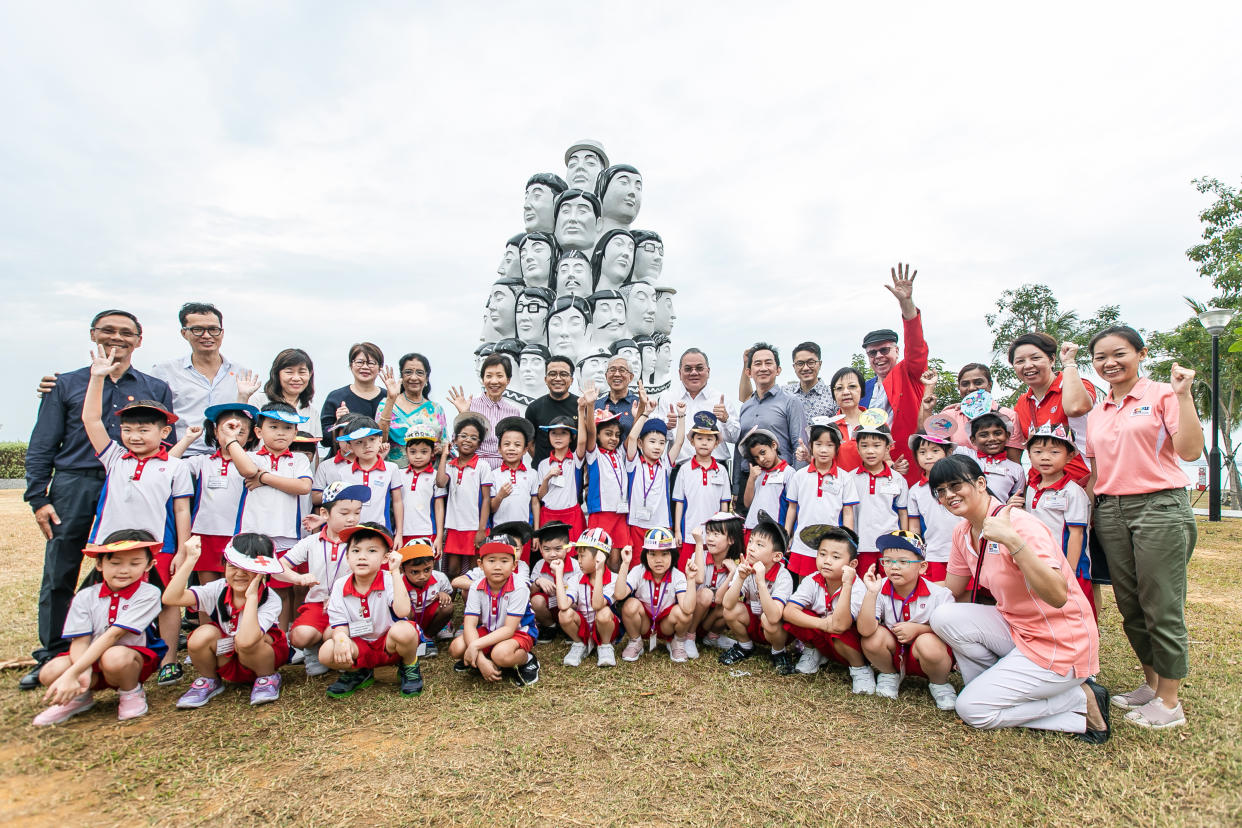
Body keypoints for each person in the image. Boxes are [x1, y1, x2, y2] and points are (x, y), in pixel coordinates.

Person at [22, 309, 171, 691]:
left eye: (126, 333)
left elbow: (165, 444)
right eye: (108, 331)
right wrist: (38, 495)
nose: (117, 338)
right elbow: (42, 442)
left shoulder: (154, 387)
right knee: (61, 568)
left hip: (131, 486)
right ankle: (55, 652)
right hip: (77, 481)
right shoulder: (66, 383)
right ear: (93, 334)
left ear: (140, 340)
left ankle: (131, 642)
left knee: (134, 564)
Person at [928, 454, 1106, 741]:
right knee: (944, 616)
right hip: (1017, 628)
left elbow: (1058, 595)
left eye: (956, 485)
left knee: (971, 710)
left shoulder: (1021, 524)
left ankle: (1077, 701)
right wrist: (899, 583)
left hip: (1058, 640)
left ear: (981, 483)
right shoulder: (963, 532)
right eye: (941, 491)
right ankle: (996, 688)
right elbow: (951, 588)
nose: (949, 495)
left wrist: (1012, 540)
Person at [1086, 327, 1202, 729]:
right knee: (1130, 605)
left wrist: (1184, 395)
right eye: (1100, 357)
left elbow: (1189, 451)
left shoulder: (1163, 395)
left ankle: (1169, 703)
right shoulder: (1099, 410)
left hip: (1159, 506)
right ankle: (1152, 685)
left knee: (1161, 605)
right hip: (1110, 510)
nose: (1109, 363)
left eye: (1119, 353)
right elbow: (1095, 468)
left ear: (1140, 353)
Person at [82, 345, 192, 685]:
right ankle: (104, 658)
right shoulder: (115, 458)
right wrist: (97, 378)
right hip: (111, 546)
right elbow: (90, 420)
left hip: (160, 545)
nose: (135, 435)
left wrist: (184, 549)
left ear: (164, 432)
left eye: (145, 429)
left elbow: (181, 508)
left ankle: (169, 659)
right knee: (108, 597)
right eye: (129, 429)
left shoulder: (175, 467)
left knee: (167, 601)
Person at [31, 531, 166, 726]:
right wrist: (81, 671)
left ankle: (131, 692)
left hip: (128, 661)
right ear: (99, 564)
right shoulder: (85, 596)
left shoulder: (149, 593)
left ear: (149, 565)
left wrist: (73, 673)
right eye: (115, 563)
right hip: (90, 660)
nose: (124, 570)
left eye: (134, 563)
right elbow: (80, 640)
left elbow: (114, 635)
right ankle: (79, 697)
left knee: (115, 656)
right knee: (50, 671)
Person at [165, 534, 290, 709]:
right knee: (201, 636)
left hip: (258, 655)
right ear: (224, 565)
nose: (239, 573)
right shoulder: (218, 588)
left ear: (263, 571)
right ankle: (210, 680)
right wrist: (190, 560)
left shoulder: (270, 598)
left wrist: (252, 597)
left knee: (249, 641)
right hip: (228, 657)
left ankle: (267, 677)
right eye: (233, 566)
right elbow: (171, 598)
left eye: (248, 568)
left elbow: (246, 641)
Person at [855, 531, 957, 709]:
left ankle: (939, 684)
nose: (894, 567)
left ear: (922, 567)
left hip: (927, 654)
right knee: (871, 639)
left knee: (928, 643)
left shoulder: (939, 594)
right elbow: (865, 630)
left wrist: (919, 629)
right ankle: (889, 674)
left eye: (903, 561)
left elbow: (953, 630)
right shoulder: (879, 587)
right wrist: (871, 592)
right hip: (895, 651)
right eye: (887, 561)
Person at [321, 523, 424, 698]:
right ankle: (358, 672)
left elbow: (403, 611)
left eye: (371, 551)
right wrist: (340, 639)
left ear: (386, 557)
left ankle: (409, 666)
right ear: (347, 556)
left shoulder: (389, 579)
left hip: (389, 645)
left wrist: (395, 572)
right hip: (359, 645)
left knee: (405, 630)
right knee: (327, 651)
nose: (362, 557)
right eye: (355, 551)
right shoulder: (340, 585)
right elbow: (339, 624)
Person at [279, 482, 368, 677]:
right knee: (300, 635)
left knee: (333, 633)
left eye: (357, 513)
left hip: (350, 604)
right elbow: (278, 568)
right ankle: (313, 651)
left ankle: (337, 653)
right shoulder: (311, 542)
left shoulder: (363, 541)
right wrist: (298, 577)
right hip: (317, 605)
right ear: (325, 514)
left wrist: (338, 595)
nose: (352, 519)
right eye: (344, 513)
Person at [145, 302, 250, 455]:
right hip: (180, 455)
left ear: (222, 332)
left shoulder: (241, 373)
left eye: (213, 329)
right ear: (184, 333)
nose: (206, 336)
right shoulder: (164, 371)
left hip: (228, 456)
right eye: (198, 330)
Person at [173, 402, 260, 584]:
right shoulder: (202, 461)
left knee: (234, 589)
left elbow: (251, 471)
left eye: (240, 432)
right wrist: (188, 439)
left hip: (238, 534)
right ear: (214, 431)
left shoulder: (253, 460)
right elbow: (168, 465)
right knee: (207, 591)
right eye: (226, 429)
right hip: (203, 533)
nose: (232, 435)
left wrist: (232, 441)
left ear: (251, 435)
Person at [858, 264, 929, 485]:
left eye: (884, 350)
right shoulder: (864, 388)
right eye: (872, 353)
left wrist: (907, 305)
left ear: (897, 351)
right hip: (873, 469)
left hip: (906, 465)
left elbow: (916, 348)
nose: (878, 356)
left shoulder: (909, 373)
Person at [781, 525, 874, 691]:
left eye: (836, 557)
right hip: (825, 632)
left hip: (848, 642)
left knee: (838, 631)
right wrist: (822, 624)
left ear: (852, 564)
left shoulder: (858, 587)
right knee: (798, 617)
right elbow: (788, 611)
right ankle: (813, 652)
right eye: (822, 554)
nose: (827, 561)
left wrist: (846, 585)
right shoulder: (812, 579)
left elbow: (840, 626)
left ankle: (860, 668)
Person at [450, 532, 541, 687]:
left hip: (518, 632)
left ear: (514, 565)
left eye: (504, 561)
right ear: (480, 564)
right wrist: (480, 659)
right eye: (491, 560)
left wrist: (474, 646)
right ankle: (486, 659)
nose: (497, 566)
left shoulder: (519, 587)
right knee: (456, 648)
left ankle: (528, 660)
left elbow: (509, 629)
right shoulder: (476, 587)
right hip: (490, 630)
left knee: (500, 655)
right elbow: (470, 625)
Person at [1021, 424, 1094, 617]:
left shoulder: (1072, 492)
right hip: (1042, 563)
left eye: (1054, 451)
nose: (1045, 457)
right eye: (1038, 451)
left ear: (1070, 456)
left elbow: (1076, 534)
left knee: (1078, 611)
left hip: (1070, 566)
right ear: (1029, 455)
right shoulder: (1031, 488)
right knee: (1049, 612)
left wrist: (1069, 571)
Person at [1008, 334, 1096, 484]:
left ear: (1052, 359)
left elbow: (1076, 408)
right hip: (1041, 490)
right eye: (1020, 361)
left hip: (1082, 486)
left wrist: (1069, 363)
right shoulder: (1022, 402)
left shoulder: (1075, 385)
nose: (1028, 365)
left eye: (1035, 358)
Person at [717, 510, 795, 674]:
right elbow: (727, 604)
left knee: (769, 619)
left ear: (777, 556)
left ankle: (778, 652)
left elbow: (774, 616)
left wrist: (760, 581)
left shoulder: (783, 576)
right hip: (754, 623)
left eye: (759, 545)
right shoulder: (746, 567)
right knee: (731, 610)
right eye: (751, 541)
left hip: (777, 630)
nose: (751, 548)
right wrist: (740, 578)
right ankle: (745, 645)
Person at [783, 419, 859, 578]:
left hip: (833, 545)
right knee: (804, 588)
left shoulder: (845, 478)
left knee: (830, 585)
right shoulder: (800, 476)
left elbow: (848, 513)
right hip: (802, 544)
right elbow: (792, 509)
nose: (824, 450)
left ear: (837, 448)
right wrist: (786, 536)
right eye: (818, 444)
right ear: (811, 446)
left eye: (830, 445)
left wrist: (848, 543)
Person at [615, 528, 699, 663]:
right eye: (652, 554)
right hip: (644, 623)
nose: (658, 560)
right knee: (630, 605)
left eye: (665, 554)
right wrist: (625, 564)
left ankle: (677, 642)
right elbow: (619, 595)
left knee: (684, 613)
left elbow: (688, 609)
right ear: (645, 555)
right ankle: (635, 641)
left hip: (667, 624)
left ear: (672, 555)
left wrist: (690, 579)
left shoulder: (678, 575)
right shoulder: (638, 571)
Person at [735, 343, 806, 490]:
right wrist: (736, 486)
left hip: (779, 480)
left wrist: (798, 486)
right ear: (749, 372)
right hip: (748, 480)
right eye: (757, 364)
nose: (763, 368)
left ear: (778, 370)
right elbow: (739, 448)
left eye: (768, 363)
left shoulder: (791, 402)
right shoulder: (745, 407)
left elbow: (799, 444)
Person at [624, 393, 687, 560]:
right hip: (637, 524)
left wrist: (681, 416)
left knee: (659, 565)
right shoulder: (634, 463)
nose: (658, 447)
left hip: (661, 525)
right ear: (640, 443)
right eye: (652, 441)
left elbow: (679, 442)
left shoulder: (665, 464)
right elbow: (631, 437)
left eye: (661, 442)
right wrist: (645, 413)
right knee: (637, 564)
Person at [435, 412, 493, 582]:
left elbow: (487, 499)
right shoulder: (450, 466)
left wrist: (482, 529)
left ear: (479, 443)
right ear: (455, 439)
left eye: (473, 438)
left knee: (476, 570)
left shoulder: (482, 466)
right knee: (453, 569)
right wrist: (444, 456)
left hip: (474, 526)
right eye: (464, 436)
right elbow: (440, 482)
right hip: (454, 526)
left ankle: (471, 602)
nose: (468, 440)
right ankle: (451, 602)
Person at [922, 363, 1023, 460]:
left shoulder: (1008, 415)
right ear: (959, 388)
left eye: (978, 382)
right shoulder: (950, 415)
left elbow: (1014, 462)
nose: (971, 388)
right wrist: (927, 406)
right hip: (958, 476)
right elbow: (929, 442)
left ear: (990, 385)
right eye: (965, 384)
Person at [672, 412, 732, 568]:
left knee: (710, 571)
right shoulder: (684, 469)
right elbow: (679, 503)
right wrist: (678, 531)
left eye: (709, 439)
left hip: (714, 536)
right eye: (699, 439)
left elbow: (724, 505)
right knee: (687, 572)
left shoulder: (722, 470)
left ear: (716, 443)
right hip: (688, 534)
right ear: (692, 442)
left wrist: (724, 532)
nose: (704, 443)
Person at [554, 528, 621, 668]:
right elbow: (563, 605)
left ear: (599, 557)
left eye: (582, 556)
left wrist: (599, 571)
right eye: (577, 556)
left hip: (604, 628)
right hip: (583, 627)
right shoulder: (576, 579)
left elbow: (597, 605)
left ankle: (605, 646)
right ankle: (579, 644)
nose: (578, 561)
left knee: (604, 612)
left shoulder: (614, 579)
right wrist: (558, 574)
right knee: (564, 614)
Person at [660, 348, 739, 465]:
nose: (693, 372)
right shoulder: (667, 399)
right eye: (688, 369)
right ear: (679, 373)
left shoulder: (721, 399)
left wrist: (726, 419)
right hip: (679, 469)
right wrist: (667, 428)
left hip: (716, 470)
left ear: (708, 371)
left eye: (699, 368)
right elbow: (658, 440)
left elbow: (736, 438)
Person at [851, 421, 909, 577]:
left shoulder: (898, 479)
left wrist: (903, 542)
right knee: (864, 587)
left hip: (890, 546)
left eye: (876, 445)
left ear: (888, 448)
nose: (870, 451)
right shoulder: (850, 478)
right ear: (857, 448)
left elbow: (903, 513)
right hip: (861, 546)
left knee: (889, 585)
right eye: (864, 445)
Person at [905, 433, 963, 582]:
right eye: (922, 452)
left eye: (935, 451)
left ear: (948, 452)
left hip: (963, 551)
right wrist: (916, 553)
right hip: (934, 554)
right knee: (937, 594)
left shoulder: (961, 484)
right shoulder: (915, 491)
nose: (928, 456)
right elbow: (914, 528)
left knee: (965, 597)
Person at [448, 354, 522, 470]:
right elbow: (456, 443)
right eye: (489, 376)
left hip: (503, 473)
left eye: (499, 376)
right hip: (474, 469)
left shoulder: (513, 412)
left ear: (508, 380)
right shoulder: (471, 406)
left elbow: (518, 446)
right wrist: (464, 414)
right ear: (483, 380)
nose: (494, 381)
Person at [687, 512, 744, 653]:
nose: (710, 538)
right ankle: (689, 636)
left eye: (716, 534)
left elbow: (719, 599)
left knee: (730, 605)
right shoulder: (699, 554)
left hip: (709, 618)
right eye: (708, 533)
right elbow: (699, 579)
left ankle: (712, 637)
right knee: (705, 594)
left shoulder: (735, 565)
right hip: (691, 614)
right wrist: (699, 543)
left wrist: (731, 573)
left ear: (731, 539)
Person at [739, 341, 838, 421]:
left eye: (811, 362)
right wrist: (746, 364)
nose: (806, 368)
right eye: (800, 363)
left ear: (819, 364)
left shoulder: (833, 394)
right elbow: (746, 399)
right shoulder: (784, 392)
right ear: (794, 366)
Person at [378, 353, 447, 464]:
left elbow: (445, 445)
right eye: (408, 372)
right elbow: (379, 441)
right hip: (396, 474)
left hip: (429, 475)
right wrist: (391, 399)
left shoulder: (436, 409)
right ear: (401, 376)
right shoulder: (386, 404)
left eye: (419, 373)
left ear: (426, 377)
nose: (414, 377)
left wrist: (440, 449)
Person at [582, 407, 630, 566]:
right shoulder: (594, 453)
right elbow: (589, 432)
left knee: (617, 556)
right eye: (608, 434)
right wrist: (590, 405)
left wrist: (642, 413)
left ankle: (614, 589)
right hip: (601, 511)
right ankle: (597, 589)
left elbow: (633, 437)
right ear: (597, 435)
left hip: (620, 512)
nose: (614, 439)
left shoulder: (620, 453)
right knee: (599, 555)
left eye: (617, 435)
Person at [319, 343, 387, 453]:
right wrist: (338, 424)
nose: (365, 367)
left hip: (378, 462)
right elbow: (324, 439)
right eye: (360, 362)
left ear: (380, 368)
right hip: (342, 462)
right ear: (351, 365)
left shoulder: (388, 397)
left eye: (371, 363)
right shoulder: (336, 397)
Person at [396, 540, 454, 657]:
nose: (422, 576)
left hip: (429, 617)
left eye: (427, 570)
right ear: (403, 569)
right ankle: (410, 639)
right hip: (407, 620)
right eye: (415, 572)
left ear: (433, 564)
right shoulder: (397, 582)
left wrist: (443, 595)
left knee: (447, 606)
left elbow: (450, 594)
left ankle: (428, 637)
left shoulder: (440, 578)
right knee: (404, 609)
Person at [248, 348, 321, 441]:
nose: (296, 378)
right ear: (277, 374)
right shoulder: (258, 401)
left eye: (302, 372)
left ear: (310, 374)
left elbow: (313, 451)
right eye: (289, 372)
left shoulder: (312, 412)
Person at [397, 425, 447, 556]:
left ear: (432, 453)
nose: (418, 456)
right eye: (413, 452)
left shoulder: (436, 476)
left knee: (425, 569)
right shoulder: (399, 474)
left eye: (424, 452)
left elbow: (439, 507)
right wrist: (398, 533)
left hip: (428, 532)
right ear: (406, 452)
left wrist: (439, 536)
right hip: (402, 532)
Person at [536, 410, 587, 541]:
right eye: (554, 433)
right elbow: (541, 496)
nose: (558, 437)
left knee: (573, 554)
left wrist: (581, 410)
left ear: (572, 437)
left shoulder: (576, 459)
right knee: (551, 554)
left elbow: (582, 442)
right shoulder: (543, 464)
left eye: (563, 433)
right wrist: (547, 477)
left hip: (572, 514)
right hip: (548, 514)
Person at [490, 417, 541, 545]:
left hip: (525, 533)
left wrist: (536, 533)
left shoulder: (532, 474)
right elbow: (491, 508)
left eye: (517, 445)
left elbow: (535, 504)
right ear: (499, 449)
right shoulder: (493, 475)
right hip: (499, 533)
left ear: (525, 450)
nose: (511, 448)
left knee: (522, 564)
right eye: (506, 444)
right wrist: (500, 496)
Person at [525, 355, 580, 466]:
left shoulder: (581, 406)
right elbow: (530, 443)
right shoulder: (534, 408)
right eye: (552, 374)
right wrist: (543, 465)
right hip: (543, 475)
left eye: (564, 374)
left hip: (573, 473)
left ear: (571, 380)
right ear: (545, 379)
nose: (558, 378)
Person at [527, 521, 579, 640]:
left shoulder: (576, 566)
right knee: (536, 601)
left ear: (568, 548)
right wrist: (538, 581)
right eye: (547, 549)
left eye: (558, 549)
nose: (552, 554)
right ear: (540, 549)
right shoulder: (539, 565)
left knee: (576, 603)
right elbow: (529, 593)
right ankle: (550, 626)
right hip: (549, 608)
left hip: (571, 607)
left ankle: (569, 626)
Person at [968, 411, 1025, 501]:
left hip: (1000, 514)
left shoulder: (1017, 469)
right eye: (984, 435)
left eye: (997, 433)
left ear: (1007, 436)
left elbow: (1018, 500)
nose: (992, 439)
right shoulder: (966, 456)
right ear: (973, 440)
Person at [740, 429, 789, 534]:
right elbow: (747, 503)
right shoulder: (757, 473)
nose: (761, 459)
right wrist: (751, 478)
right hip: (751, 528)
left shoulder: (788, 472)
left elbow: (792, 506)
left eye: (763, 452)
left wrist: (788, 533)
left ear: (774, 445)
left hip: (774, 531)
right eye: (756, 457)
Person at [595, 356, 639, 441]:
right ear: (606, 375)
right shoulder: (596, 405)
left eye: (622, 370)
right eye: (612, 370)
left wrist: (668, 425)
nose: (617, 374)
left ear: (631, 377)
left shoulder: (639, 404)